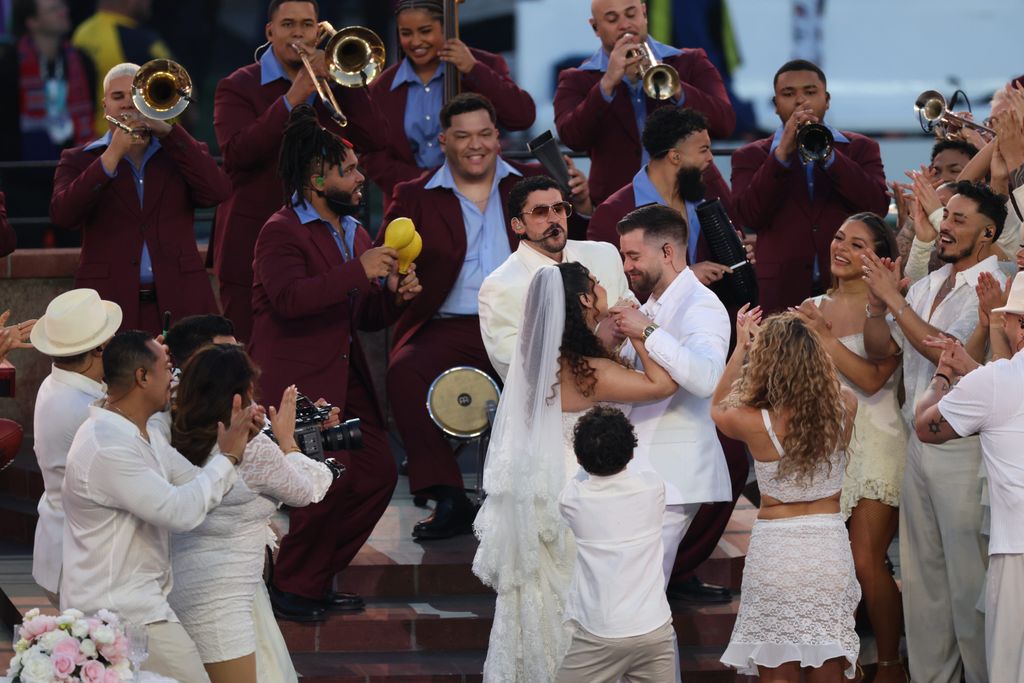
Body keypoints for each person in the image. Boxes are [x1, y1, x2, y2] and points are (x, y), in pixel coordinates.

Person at [382, 92, 590, 541]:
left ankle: (548, 495)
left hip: (528, 319)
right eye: (462, 136)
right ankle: (449, 495)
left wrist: (584, 204)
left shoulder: (535, 184)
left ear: (498, 138)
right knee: (402, 373)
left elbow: (579, 236)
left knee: (561, 376)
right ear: (443, 141)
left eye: (483, 134)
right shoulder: (414, 196)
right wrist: (398, 284)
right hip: (446, 323)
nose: (474, 145)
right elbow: (389, 265)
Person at [249, 104, 419, 620]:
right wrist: (356, 270)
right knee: (321, 483)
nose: (361, 176)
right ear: (316, 177)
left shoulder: (354, 231)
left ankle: (306, 576)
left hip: (345, 381)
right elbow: (289, 299)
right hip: (299, 387)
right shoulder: (280, 231)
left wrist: (393, 297)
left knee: (377, 475)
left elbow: (363, 314)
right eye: (349, 170)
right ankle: (298, 587)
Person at [473, 262, 677, 682]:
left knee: (541, 597)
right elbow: (661, 384)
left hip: (541, 491)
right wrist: (639, 332)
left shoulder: (540, 366)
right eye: (597, 284)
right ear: (585, 299)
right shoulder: (593, 374)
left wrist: (610, 334)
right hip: (584, 491)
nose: (604, 287)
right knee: (583, 598)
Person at [862, 180, 1008, 683]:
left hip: (964, 449)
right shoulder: (926, 283)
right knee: (922, 584)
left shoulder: (998, 283)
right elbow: (887, 351)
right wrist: (879, 307)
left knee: (969, 583)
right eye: (946, 216)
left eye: (959, 220)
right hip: (916, 444)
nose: (945, 227)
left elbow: (948, 350)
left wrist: (892, 300)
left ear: (988, 234)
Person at [61, 330, 257, 682]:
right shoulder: (109, 447)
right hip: (119, 613)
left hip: (136, 606)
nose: (175, 378)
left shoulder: (141, 433)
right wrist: (228, 455)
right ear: (142, 377)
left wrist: (247, 447)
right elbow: (180, 511)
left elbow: (195, 482)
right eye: (168, 369)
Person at [211, 0, 386, 342]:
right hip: (250, 245)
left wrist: (344, 81)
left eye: (306, 25)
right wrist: (293, 98)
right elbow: (237, 155)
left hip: (323, 243)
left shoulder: (332, 80)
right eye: (288, 24)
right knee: (250, 357)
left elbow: (377, 137)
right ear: (270, 31)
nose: (298, 33)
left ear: (318, 29)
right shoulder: (236, 86)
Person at [168, 345, 333, 683]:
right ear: (238, 396)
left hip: (175, 585)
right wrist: (288, 442)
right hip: (222, 604)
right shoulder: (252, 449)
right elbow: (308, 491)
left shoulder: (169, 433)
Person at [713, 309, 860, 680]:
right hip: (827, 551)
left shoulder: (753, 420)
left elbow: (716, 407)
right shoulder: (845, 405)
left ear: (766, 363)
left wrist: (741, 348)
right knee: (829, 663)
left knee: (778, 672)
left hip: (776, 554)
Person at [793, 213, 908, 681]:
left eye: (857, 243)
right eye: (839, 237)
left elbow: (871, 378)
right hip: (824, 444)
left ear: (879, 258)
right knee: (830, 562)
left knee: (866, 560)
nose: (840, 247)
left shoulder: (889, 306)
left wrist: (822, 335)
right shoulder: (811, 303)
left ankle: (890, 661)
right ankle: (842, 660)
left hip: (877, 438)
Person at [49, 62, 228, 335]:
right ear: (105, 105)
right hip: (110, 305)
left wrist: (168, 130)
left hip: (181, 302)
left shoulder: (181, 152)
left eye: (135, 96)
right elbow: (63, 214)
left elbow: (217, 192)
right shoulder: (77, 159)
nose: (127, 105)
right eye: (117, 97)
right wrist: (111, 156)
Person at [609, 204, 732, 590]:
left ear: (667, 252)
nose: (626, 266)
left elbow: (708, 377)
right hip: (641, 466)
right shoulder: (650, 305)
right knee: (634, 593)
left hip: (675, 472)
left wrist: (645, 332)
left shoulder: (703, 305)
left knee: (642, 594)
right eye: (623, 256)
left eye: (633, 255)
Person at [915, 271, 1024, 683]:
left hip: (1017, 553)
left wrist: (944, 376)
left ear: (1017, 325)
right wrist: (975, 371)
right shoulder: (992, 381)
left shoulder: (995, 382)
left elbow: (926, 426)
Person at [731, 59, 888, 313]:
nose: (800, 102)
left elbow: (876, 207)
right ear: (775, 105)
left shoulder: (861, 148)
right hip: (781, 292)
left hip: (847, 286)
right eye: (788, 94)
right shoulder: (749, 156)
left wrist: (831, 157)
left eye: (810, 92)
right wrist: (781, 154)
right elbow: (749, 215)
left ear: (827, 99)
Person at [554, 0, 734, 206]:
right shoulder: (577, 79)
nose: (625, 25)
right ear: (595, 27)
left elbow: (725, 123)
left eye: (631, 15)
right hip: (621, 207)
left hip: (694, 199)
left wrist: (676, 88)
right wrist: (606, 84)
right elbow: (572, 137)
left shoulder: (690, 61)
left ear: (644, 13)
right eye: (612, 19)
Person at [361, 0, 536, 199]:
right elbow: (373, 155)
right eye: (406, 33)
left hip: (480, 198)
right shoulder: (383, 87)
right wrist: (424, 181)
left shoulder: (484, 64)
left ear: (447, 29)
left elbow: (523, 117)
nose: (416, 42)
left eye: (425, 31)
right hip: (410, 204)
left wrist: (473, 69)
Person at [555, 406, 675, 683]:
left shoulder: (573, 500)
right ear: (631, 453)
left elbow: (575, 481)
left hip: (601, 634)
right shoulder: (653, 488)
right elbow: (641, 473)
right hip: (654, 629)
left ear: (579, 458)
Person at [479, 174, 633, 382]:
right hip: (558, 405)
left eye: (559, 209)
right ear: (518, 225)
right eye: (540, 212)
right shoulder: (501, 285)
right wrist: (600, 343)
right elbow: (516, 369)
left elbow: (634, 317)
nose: (554, 219)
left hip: (630, 383)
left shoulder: (604, 254)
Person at [28, 289, 120, 606]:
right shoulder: (87, 409)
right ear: (99, 349)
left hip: (59, 543)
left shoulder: (55, 383)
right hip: (80, 558)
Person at [0, 0, 94, 162]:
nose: (63, 11)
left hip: (75, 160)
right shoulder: (10, 64)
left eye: (63, 6)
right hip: (22, 163)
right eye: (53, 9)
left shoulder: (81, 60)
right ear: (32, 22)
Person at [70, 0, 171, 136]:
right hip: (142, 141)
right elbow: (180, 90)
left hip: (93, 137)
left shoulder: (80, 34)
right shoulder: (142, 41)